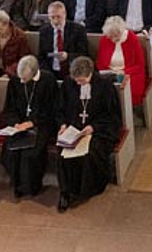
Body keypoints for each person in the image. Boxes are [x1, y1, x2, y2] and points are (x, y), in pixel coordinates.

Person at [53, 56, 123, 210]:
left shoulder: (105, 87)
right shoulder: (68, 84)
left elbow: (111, 115)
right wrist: (63, 125)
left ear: (90, 73)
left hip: (99, 130)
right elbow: (59, 109)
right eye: (76, 81)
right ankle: (65, 192)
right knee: (63, 153)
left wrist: (93, 128)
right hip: (74, 130)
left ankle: (87, 188)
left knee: (91, 152)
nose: (78, 84)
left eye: (82, 81)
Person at [0, 54, 58, 198]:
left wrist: (32, 122)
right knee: (11, 151)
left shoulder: (48, 80)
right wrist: (16, 123)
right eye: (20, 78)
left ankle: (32, 187)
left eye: (25, 79)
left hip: (42, 124)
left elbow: (52, 109)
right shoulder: (15, 80)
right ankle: (17, 185)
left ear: (34, 73)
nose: (21, 81)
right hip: (19, 124)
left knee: (30, 153)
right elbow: (9, 107)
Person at [98, 15, 148, 108]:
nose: (113, 39)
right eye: (110, 36)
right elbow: (100, 63)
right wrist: (109, 73)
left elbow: (140, 64)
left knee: (123, 89)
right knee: (102, 88)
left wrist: (123, 72)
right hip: (110, 74)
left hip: (130, 74)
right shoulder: (105, 39)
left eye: (115, 36)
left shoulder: (132, 38)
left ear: (121, 32)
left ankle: (126, 112)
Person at [38, 1, 88, 78]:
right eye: (52, 17)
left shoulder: (78, 30)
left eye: (58, 17)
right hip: (50, 71)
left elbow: (83, 54)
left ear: (64, 15)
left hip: (72, 70)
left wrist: (68, 56)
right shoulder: (44, 31)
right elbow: (41, 56)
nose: (55, 21)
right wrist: (48, 74)